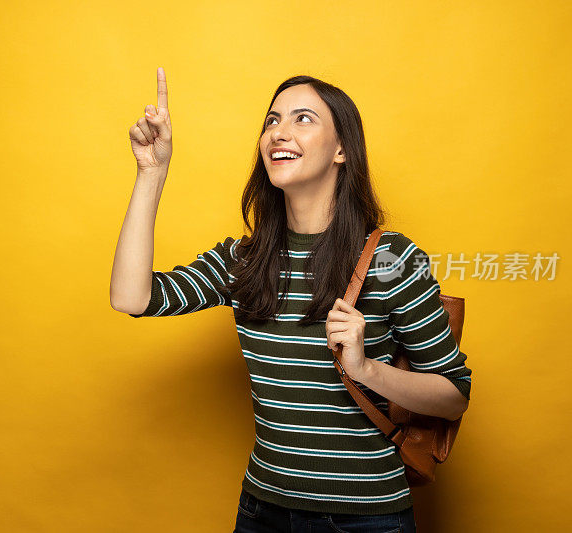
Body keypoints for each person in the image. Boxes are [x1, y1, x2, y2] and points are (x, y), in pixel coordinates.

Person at [110, 67, 472, 533]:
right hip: (263, 511)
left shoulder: (392, 259)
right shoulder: (244, 259)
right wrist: (151, 172)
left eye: (303, 119)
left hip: (367, 520)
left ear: (342, 150)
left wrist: (366, 370)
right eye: (272, 120)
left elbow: (454, 397)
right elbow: (131, 297)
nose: (279, 132)